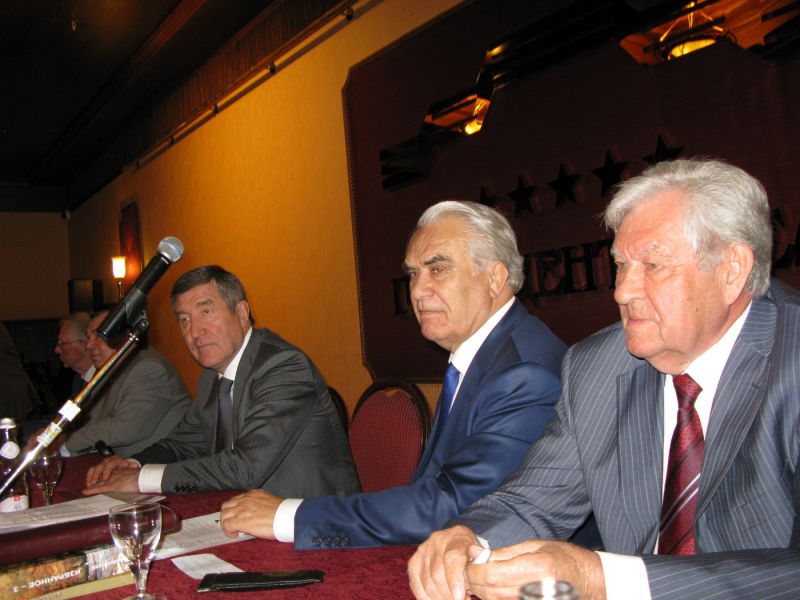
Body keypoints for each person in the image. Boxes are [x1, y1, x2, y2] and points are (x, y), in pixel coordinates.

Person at [408, 158, 800, 600]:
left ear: (732, 270)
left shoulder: (792, 360)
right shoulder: (596, 367)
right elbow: (530, 502)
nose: (622, 291)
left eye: (653, 265)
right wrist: (468, 537)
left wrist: (603, 578)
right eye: (620, 265)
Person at [217, 200, 566, 549]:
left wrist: (289, 516)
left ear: (494, 278)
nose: (417, 291)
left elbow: (457, 505)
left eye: (437, 269)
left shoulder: (526, 374)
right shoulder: (487, 353)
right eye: (413, 273)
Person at [84, 265, 360, 497]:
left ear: (241, 314)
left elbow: (246, 467)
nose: (195, 331)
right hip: (243, 515)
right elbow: (185, 443)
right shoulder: (211, 378)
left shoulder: (282, 366)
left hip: (312, 523)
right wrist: (133, 464)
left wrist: (143, 480)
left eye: (206, 312)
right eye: (184, 320)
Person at [52, 310, 192, 458]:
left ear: (125, 335)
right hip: (123, 464)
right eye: (89, 338)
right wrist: (53, 435)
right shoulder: (108, 372)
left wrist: (63, 444)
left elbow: (124, 429)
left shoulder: (148, 368)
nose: (89, 345)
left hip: (160, 466)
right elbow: (93, 423)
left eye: (99, 335)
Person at [55, 312, 95, 397]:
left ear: (83, 345)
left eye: (62, 343)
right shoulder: (78, 380)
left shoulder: (106, 379)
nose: (57, 350)